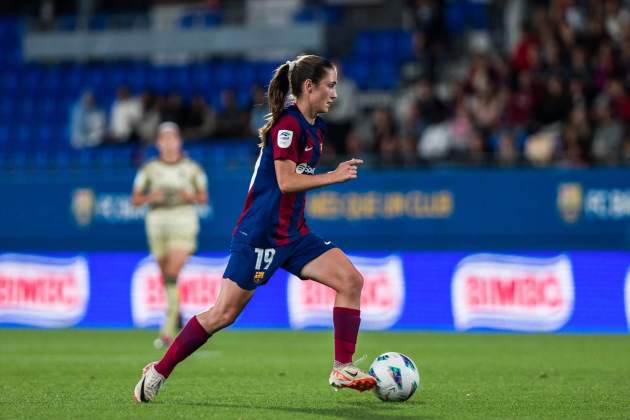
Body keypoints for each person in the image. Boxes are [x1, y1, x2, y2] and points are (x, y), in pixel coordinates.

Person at [133, 54, 375, 403]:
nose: (335, 93)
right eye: (330, 85)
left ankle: (343, 366)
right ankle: (158, 371)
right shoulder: (289, 126)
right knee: (223, 314)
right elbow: (286, 182)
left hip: (294, 235)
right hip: (260, 235)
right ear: (309, 87)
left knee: (351, 280)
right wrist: (333, 176)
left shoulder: (315, 128)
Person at [131, 122, 209, 349]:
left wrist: (190, 195)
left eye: (172, 137)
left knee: (173, 271)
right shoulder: (149, 169)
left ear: (179, 141)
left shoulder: (192, 168)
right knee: (166, 274)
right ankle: (177, 314)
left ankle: (166, 330)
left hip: (183, 220)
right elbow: (135, 199)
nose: (168, 142)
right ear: (158, 143)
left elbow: (203, 198)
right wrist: (150, 197)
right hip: (157, 222)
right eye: (164, 138)